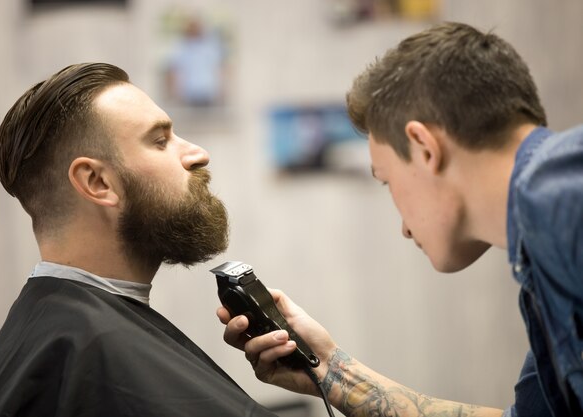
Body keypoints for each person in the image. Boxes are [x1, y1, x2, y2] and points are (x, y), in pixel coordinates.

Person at [219, 21, 583, 417]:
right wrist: (328, 369)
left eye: (387, 181)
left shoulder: (556, 201)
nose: (405, 228)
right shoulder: (542, 248)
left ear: (425, 148)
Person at [0, 63, 278, 417]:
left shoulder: (47, 338)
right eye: (160, 141)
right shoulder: (95, 351)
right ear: (97, 182)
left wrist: (324, 367)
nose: (198, 153)